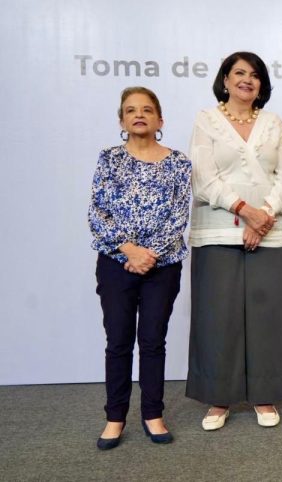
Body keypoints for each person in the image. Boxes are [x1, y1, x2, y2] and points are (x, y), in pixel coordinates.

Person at [186, 52, 282, 430]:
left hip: (271, 230)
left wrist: (263, 215)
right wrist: (244, 210)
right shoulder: (206, 120)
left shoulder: (273, 122)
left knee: (268, 315)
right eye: (239, 73)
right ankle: (220, 399)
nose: (247, 80)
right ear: (225, 80)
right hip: (218, 231)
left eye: (254, 75)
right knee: (219, 316)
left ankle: (265, 395)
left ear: (261, 85)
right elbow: (203, 177)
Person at [89, 87, 191, 449]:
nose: (139, 115)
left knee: (152, 342)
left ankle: (153, 414)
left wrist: (150, 254)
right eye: (131, 110)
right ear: (122, 121)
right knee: (118, 341)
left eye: (147, 110)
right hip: (116, 263)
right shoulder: (109, 159)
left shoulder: (179, 163)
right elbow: (97, 212)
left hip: (162, 266)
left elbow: (179, 215)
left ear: (160, 119)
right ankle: (115, 418)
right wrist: (130, 251)